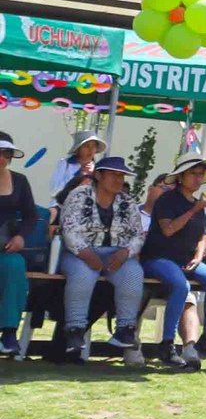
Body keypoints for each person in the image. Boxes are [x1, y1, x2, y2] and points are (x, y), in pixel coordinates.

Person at [57, 155, 149, 364]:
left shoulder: (127, 201)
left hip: (116, 253)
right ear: (98, 175)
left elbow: (137, 234)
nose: (118, 180)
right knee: (82, 276)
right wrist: (86, 254)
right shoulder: (79, 195)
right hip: (80, 253)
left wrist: (126, 252)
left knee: (134, 273)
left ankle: (126, 329)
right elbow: (68, 229)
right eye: (113, 175)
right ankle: (75, 329)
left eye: (121, 176)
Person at [139, 156, 206, 369]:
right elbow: (168, 229)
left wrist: (198, 257)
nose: (198, 178)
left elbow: (201, 237)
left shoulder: (198, 205)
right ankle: (167, 344)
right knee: (181, 285)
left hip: (187, 260)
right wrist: (194, 209)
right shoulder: (167, 200)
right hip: (159, 258)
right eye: (193, 174)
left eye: (201, 174)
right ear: (181, 176)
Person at [0, 133, 34, 360]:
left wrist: (21, 237)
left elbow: (31, 215)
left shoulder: (20, 181)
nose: (2, 158)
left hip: (5, 247)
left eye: (6, 153)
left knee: (14, 266)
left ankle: (9, 332)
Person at [50, 131, 105, 203]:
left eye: (94, 146)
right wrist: (80, 175)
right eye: (86, 146)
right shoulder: (65, 164)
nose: (91, 150)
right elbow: (56, 188)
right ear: (78, 149)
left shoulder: (98, 169)